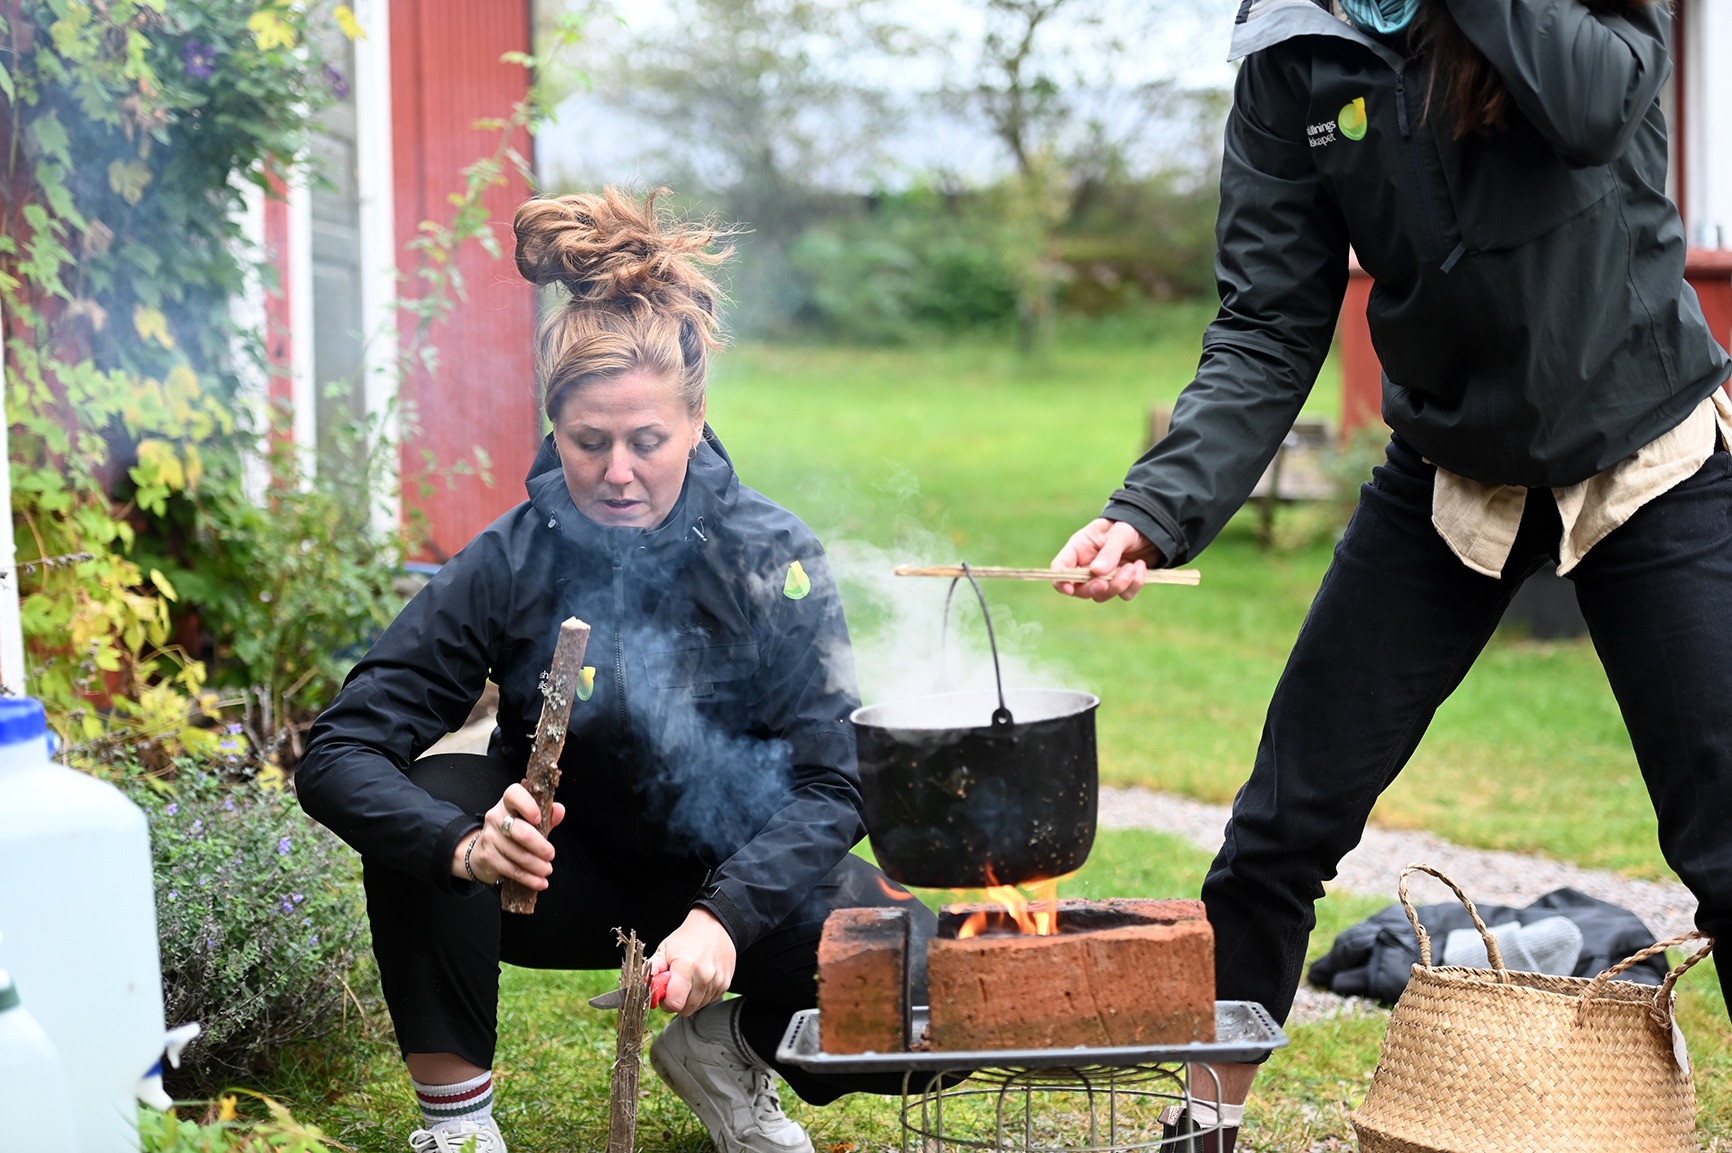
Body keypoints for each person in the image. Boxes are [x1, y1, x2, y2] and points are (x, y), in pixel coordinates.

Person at [1050, 1, 1732, 1149]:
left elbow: (1592, 107)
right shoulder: (1288, 53)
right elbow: (1267, 321)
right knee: (1276, 830)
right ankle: (1199, 1129)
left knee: (1726, 841)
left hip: (1645, 458)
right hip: (1450, 480)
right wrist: (1151, 510)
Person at [296, 187, 931, 1153]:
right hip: (557, 881)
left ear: (697, 419)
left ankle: (724, 1048)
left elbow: (837, 778)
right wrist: (464, 846)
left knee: (921, 983)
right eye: (589, 443)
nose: (619, 471)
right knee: (432, 794)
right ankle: (459, 1129)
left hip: (734, 887)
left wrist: (724, 919)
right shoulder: (510, 560)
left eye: (648, 441)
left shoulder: (773, 554)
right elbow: (340, 748)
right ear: (555, 429)